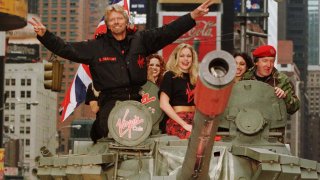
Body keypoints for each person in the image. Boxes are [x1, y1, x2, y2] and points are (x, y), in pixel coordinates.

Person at [29, 0, 216, 139]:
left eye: (120, 18)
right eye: (112, 20)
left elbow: (167, 32)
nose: (116, 22)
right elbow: (66, 49)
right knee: (106, 133)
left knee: (147, 134)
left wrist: (192, 16)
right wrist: (45, 36)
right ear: (107, 25)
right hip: (110, 101)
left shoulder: (140, 40)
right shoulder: (96, 47)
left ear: (126, 21)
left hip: (137, 98)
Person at [241, 45, 300, 114]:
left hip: (274, 123)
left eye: (272, 61)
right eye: (265, 61)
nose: (269, 65)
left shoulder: (282, 80)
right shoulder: (246, 77)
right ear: (256, 62)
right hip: (249, 122)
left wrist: (284, 96)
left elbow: (294, 108)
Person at [159, 43, 199, 139]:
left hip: (195, 119)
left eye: (189, 56)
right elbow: (163, 104)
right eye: (182, 56)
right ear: (176, 58)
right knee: (193, 140)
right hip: (177, 121)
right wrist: (184, 124)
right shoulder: (169, 75)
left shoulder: (195, 78)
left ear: (193, 59)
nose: (186, 59)